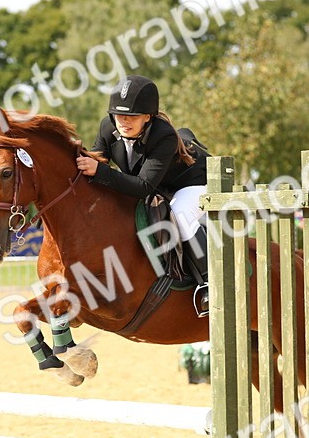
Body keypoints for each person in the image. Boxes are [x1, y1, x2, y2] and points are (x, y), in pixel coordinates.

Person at [75, 74, 210, 315]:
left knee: (180, 212)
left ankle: (209, 282)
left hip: (192, 182)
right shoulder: (108, 127)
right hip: (158, 186)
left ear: (148, 117)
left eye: (132, 116)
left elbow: (142, 186)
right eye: (119, 115)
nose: (123, 121)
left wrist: (100, 171)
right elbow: (96, 162)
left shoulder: (163, 134)